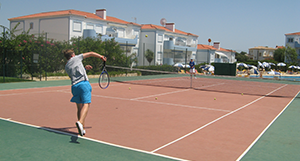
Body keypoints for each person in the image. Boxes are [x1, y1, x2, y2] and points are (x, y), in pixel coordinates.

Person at [63, 49, 106, 136]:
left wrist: (84, 68)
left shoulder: (67, 66)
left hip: (74, 87)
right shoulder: (76, 58)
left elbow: (76, 73)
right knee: (86, 104)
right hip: (83, 84)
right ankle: (80, 122)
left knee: (79, 107)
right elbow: (91, 53)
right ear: (72, 55)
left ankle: (82, 128)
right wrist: (101, 57)